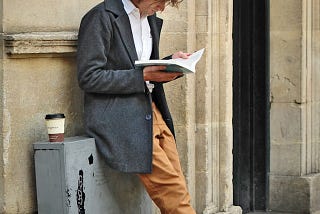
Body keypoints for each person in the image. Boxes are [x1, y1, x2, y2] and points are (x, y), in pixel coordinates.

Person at [77, 0, 196, 213]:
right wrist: (141, 76)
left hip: (152, 111)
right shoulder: (101, 17)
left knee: (178, 184)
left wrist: (170, 63)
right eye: (161, 1)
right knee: (173, 192)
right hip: (122, 117)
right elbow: (89, 77)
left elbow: (140, 66)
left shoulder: (148, 18)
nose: (162, 8)